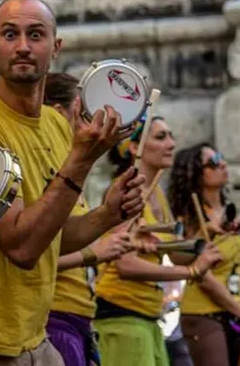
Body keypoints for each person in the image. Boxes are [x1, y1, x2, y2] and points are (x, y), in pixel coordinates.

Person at [0, 0, 147, 365]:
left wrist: (109, 214)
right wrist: (81, 160)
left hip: (33, 336)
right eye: (10, 35)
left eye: (36, 35)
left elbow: (51, 237)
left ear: (56, 47)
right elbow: (22, 247)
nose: (23, 46)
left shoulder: (57, 125)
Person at [93, 118, 222, 366]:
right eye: (161, 137)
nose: (172, 144)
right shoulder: (126, 191)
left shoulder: (156, 193)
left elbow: (175, 253)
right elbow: (125, 265)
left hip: (148, 318)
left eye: (171, 136)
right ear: (134, 148)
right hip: (122, 318)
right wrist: (192, 271)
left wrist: (205, 239)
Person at [42, 72, 136, 366]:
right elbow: (33, 253)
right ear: (58, 114)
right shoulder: (47, 173)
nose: (92, 127)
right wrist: (94, 253)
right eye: (83, 115)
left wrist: (109, 215)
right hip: (54, 319)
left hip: (79, 317)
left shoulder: (72, 172)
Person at [172, 143, 240, 366]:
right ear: (195, 173)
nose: (223, 163)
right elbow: (203, 277)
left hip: (229, 310)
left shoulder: (228, 213)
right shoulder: (189, 217)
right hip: (202, 314)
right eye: (213, 161)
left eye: (222, 157)